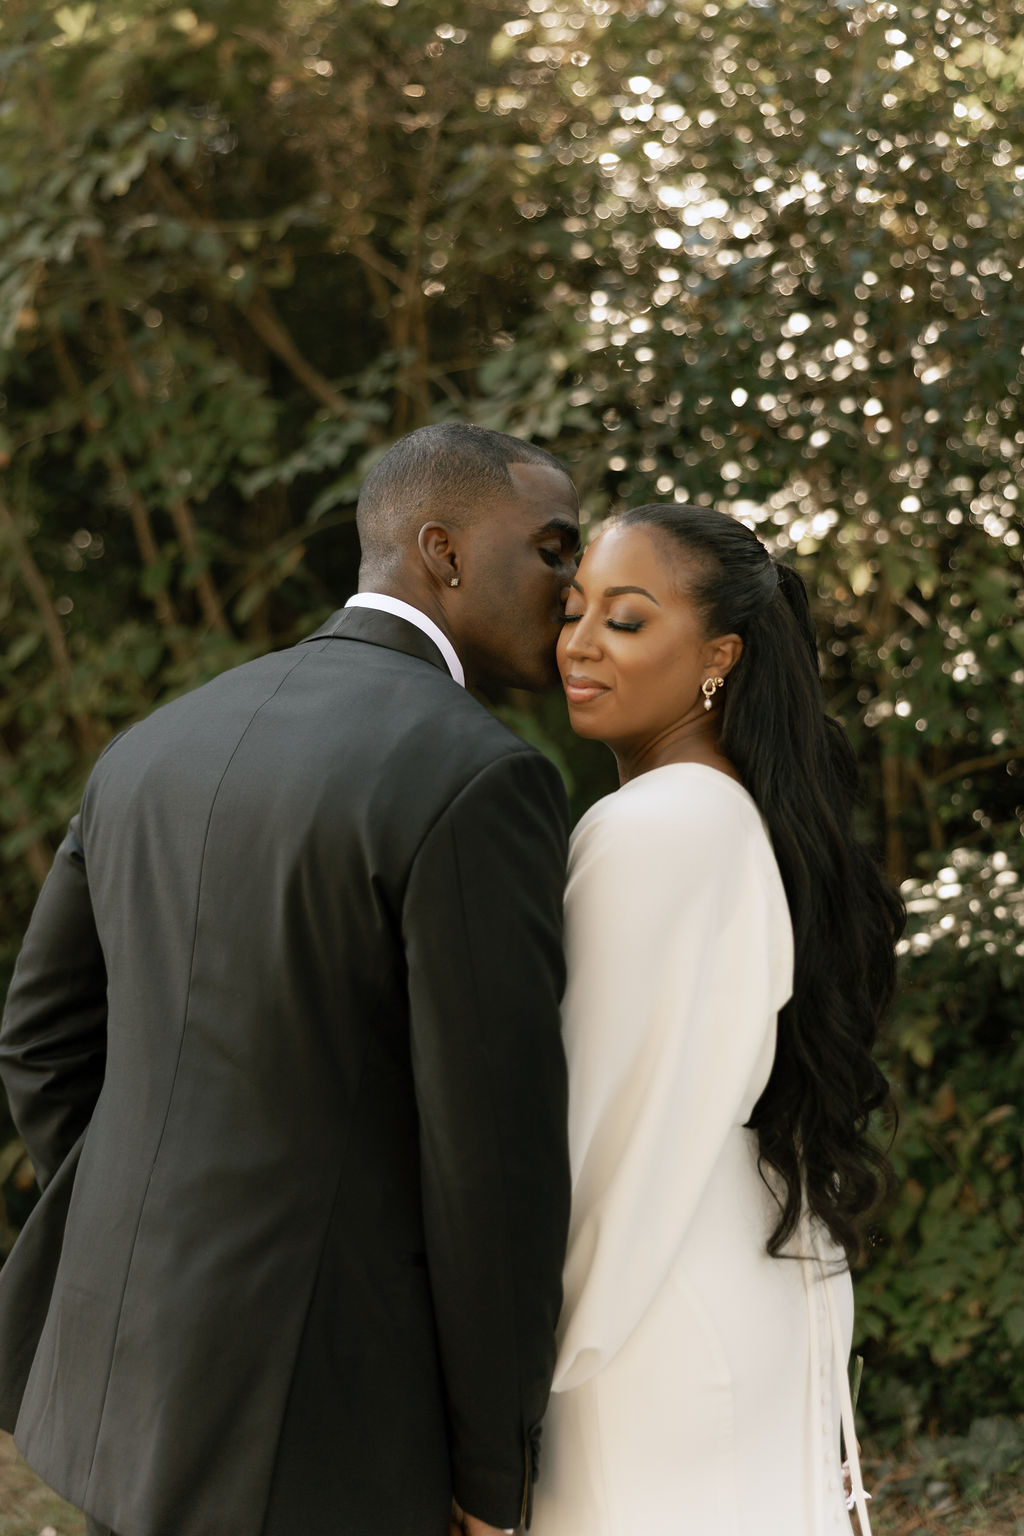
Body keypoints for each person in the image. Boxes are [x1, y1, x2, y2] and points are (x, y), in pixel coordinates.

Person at [0, 423, 581, 1536]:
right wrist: (490, 1467)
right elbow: (490, 1160)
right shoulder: (481, 776)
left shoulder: (152, 745)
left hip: (125, 1374)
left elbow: (37, 1040)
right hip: (321, 1422)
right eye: (553, 547)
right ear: (444, 552)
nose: (572, 587)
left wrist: (143, 1226)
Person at [530, 503, 903, 1536]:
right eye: (572, 610)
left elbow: (594, 1138)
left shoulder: (657, 827)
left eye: (625, 619)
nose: (579, 644)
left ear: (719, 656)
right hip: (728, 1276)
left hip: (644, 1317)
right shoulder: (729, 809)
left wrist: (520, 1374)